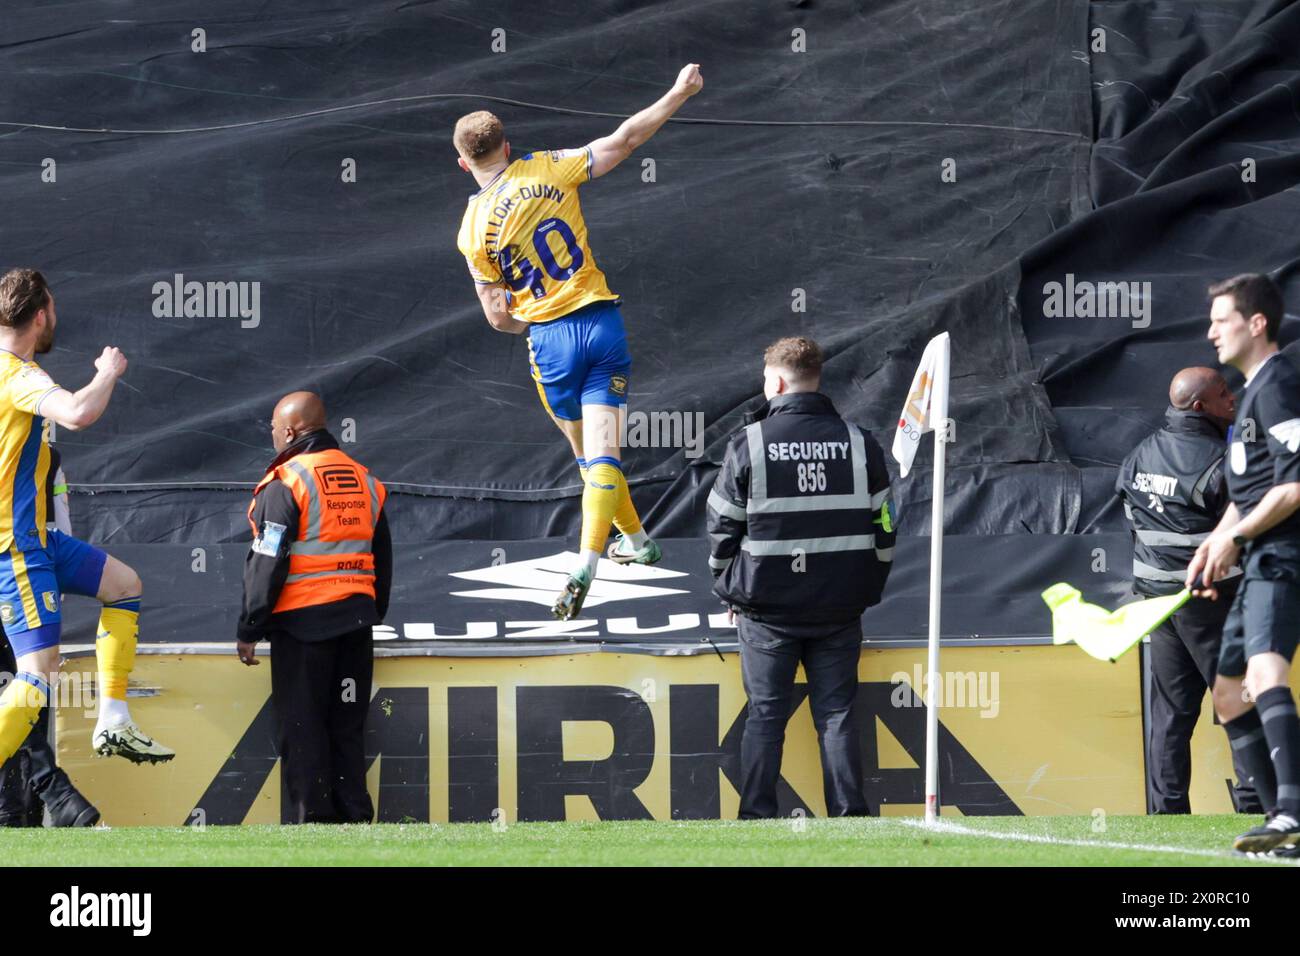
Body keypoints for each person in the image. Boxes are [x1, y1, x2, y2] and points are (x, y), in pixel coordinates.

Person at [453, 64, 704, 620]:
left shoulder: (472, 230)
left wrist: (534, 324)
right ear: (508, 146)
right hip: (602, 323)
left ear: (464, 162)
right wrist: (678, 91)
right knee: (607, 455)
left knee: (588, 458)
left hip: (552, 340)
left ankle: (586, 560)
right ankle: (636, 545)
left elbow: (497, 317)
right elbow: (626, 138)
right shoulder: (549, 168)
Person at [707, 337, 895, 818]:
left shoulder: (748, 443)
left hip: (766, 611)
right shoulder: (859, 442)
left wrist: (727, 584)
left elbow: (721, 525)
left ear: (776, 381)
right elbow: (886, 525)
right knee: (836, 717)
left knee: (766, 717)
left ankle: (756, 816)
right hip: (840, 608)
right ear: (816, 379)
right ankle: (850, 817)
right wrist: (867, 585)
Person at [0, 268, 173, 769]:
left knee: (124, 585)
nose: (55, 318)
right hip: (17, 545)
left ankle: (114, 720)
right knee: (39, 672)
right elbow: (76, 413)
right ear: (40, 316)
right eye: (52, 309)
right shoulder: (20, 375)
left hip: (38, 537)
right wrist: (108, 371)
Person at [236, 391, 391, 824]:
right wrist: (369, 614)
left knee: (303, 731)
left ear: (289, 431)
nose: (272, 435)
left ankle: (311, 824)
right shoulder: (364, 479)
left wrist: (250, 627)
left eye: (273, 428)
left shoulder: (288, 481)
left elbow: (268, 560)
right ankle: (355, 820)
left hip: (303, 629)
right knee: (347, 728)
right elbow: (382, 557)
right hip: (355, 627)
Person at [1187, 273, 1300, 854]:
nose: (1211, 332)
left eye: (1221, 319)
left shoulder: (1279, 384)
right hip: (1254, 554)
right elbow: (1249, 489)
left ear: (1257, 324)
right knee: (1229, 692)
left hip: (1282, 555)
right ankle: (1280, 814)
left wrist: (1239, 538)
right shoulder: (1251, 391)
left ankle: (1291, 816)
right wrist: (1215, 543)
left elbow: (1295, 486)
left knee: (1263, 676)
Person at [1116, 367, 1260, 813]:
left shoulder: (1139, 455)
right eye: (1222, 394)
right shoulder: (1220, 462)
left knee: (1171, 715)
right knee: (1238, 703)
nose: (1232, 399)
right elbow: (1248, 531)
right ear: (1199, 407)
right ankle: (1257, 806)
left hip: (1158, 605)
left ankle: (1166, 814)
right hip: (1212, 603)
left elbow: (1131, 520)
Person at [0, 446, 100, 827]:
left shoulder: (47, 456)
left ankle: (30, 803)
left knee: (22, 694)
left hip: (16, 577)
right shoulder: (47, 455)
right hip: (31, 579)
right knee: (27, 696)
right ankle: (45, 797)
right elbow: (61, 522)